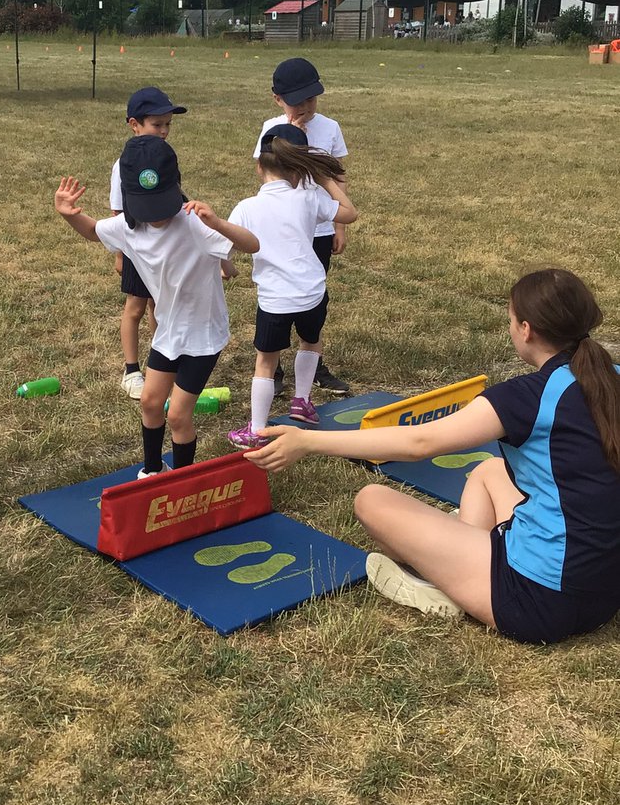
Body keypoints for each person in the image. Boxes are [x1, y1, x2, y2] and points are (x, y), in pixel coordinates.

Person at [245, 269, 620, 645]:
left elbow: (419, 443)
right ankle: (464, 564)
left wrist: (307, 441)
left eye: (509, 320)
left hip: (537, 601)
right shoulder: (610, 376)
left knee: (371, 501)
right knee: (490, 470)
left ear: (526, 329)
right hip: (605, 593)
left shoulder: (527, 396)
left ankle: (450, 581)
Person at [56, 136, 259, 477]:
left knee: (178, 415)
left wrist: (218, 223)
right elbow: (92, 230)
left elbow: (252, 245)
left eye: (162, 205)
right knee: (151, 403)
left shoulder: (194, 223)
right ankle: (152, 471)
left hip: (203, 336)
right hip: (168, 331)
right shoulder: (128, 228)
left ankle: (181, 481)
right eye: (148, 208)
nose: (157, 217)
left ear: (176, 187)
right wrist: (68, 214)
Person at [227, 123, 358, 450]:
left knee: (266, 362)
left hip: (275, 299)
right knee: (311, 341)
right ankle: (302, 401)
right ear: (301, 170)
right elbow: (349, 213)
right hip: (312, 291)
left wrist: (224, 267)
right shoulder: (309, 198)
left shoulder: (246, 207)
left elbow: (222, 248)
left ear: (259, 167)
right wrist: (326, 181)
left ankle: (257, 430)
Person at [255, 57, 351, 395]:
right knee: (279, 296)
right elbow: (264, 173)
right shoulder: (271, 129)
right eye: (297, 101)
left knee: (314, 296)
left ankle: (314, 362)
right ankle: (274, 367)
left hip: (318, 229)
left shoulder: (330, 128)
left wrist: (339, 228)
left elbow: (338, 177)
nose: (307, 107)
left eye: (311, 99)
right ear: (277, 99)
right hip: (282, 229)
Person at [110, 87, 186, 399]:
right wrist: (120, 254)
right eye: (157, 124)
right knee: (135, 306)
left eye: (168, 124)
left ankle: (161, 362)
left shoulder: (166, 156)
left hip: (165, 248)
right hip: (136, 248)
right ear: (135, 124)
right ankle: (131, 370)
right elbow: (117, 212)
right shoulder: (124, 164)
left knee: (160, 304)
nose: (164, 131)